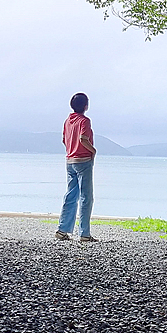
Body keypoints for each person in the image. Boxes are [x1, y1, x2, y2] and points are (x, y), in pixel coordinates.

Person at [55, 92, 98, 242]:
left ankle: (62, 229)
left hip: (70, 160)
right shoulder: (84, 121)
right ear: (86, 106)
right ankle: (84, 233)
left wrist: (70, 149)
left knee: (71, 195)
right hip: (83, 160)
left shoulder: (68, 121)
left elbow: (63, 140)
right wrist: (93, 150)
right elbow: (83, 139)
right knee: (86, 197)